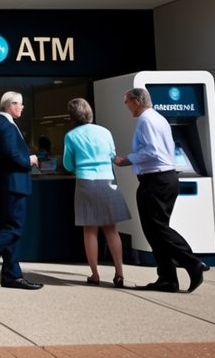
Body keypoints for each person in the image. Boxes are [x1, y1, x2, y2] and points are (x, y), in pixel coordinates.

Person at [114, 87, 209, 292]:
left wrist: (126, 159)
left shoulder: (147, 120)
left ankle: (192, 262)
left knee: (156, 228)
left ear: (137, 101)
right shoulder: (159, 118)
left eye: (126, 101)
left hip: (155, 180)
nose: (126, 106)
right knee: (156, 230)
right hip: (165, 178)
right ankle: (167, 278)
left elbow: (152, 151)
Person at [0, 91, 42, 290]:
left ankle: (12, 275)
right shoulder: (5, 125)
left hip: (5, 184)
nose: (22, 108)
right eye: (20, 104)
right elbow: (11, 153)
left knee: (8, 228)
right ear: (10, 104)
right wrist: (29, 160)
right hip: (13, 184)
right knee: (14, 228)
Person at [62, 97, 130, 287]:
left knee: (90, 230)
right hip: (108, 180)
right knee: (111, 230)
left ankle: (95, 274)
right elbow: (111, 154)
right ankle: (119, 273)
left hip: (86, 182)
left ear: (72, 116)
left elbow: (68, 165)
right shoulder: (105, 132)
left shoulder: (71, 136)